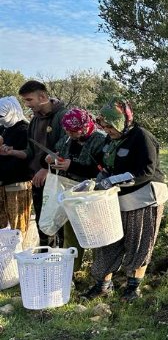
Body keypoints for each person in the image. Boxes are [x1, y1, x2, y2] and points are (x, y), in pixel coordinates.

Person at [82, 98, 168, 302]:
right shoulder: (110, 139)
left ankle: (132, 287)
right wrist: (102, 177)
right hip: (115, 197)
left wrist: (115, 180)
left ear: (122, 121)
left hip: (144, 197)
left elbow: (146, 171)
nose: (107, 131)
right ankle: (103, 285)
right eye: (104, 127)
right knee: (108, 240)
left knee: (137, 241)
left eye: (111, 126)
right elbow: (104, 163)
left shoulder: (142, 137)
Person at [0, 81, 67, 246]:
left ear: (42, 97)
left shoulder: (63, 117)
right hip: (38, 182)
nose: (27, 105)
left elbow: (65, 148)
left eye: (29, 100)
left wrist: (46, 169)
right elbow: (30, 153)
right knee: (42, 226)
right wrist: (11, 151)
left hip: (60, 181)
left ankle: (65, 264)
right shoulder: (35, 121)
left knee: (61, 226)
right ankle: (46, 263)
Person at [46, 108, 107, 271]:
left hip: (93, 195)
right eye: (67, 130)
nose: (69, 133)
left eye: (73, 130)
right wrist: (51, 159)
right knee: (71, 234)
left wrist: (72, 166)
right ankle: (70, 271)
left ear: (85, 127)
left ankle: (99, 274)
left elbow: (102, 170)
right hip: (70, 193)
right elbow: (57, 153)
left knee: (95, 235)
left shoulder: (101, 140)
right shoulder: (67, 139)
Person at [0, 96, 33, 240]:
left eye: (2, 115)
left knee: (18, 227)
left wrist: (11, 151)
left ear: (11, 112)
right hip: (3, 182)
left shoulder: (24, 130)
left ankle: (18, 256)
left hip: (18, 183)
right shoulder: (3, 129)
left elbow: (29, 156)